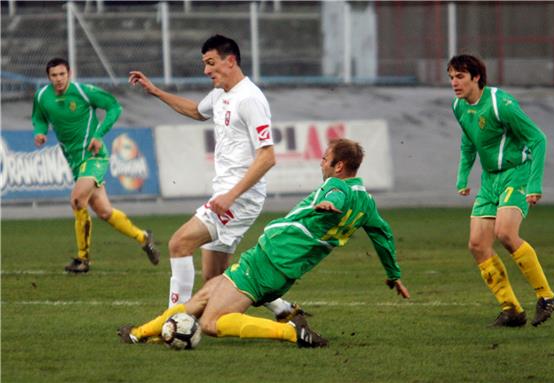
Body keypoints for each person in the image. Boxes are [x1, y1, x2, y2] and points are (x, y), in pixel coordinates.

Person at [118, 138, 410, 348]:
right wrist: (394, 274)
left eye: (325, 158)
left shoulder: (336, 187)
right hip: (280, 269)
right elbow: (382, 236)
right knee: (204, 295)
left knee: (210, 323)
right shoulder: (367, 203)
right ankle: (140, 333)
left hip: (269, 260)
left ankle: (292, 333)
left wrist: (328, 204)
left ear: (339, 166)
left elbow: (335, 196)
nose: (321, 162)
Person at [128, 34, 297, 320]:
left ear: (230, 61)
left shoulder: (250, 99)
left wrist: (231, 196)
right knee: (213, 279)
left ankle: (173, 320)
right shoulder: (220, 94)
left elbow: (267, 156)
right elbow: (196, 110)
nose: (206, 70)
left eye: (210, 63)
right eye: (204, 64)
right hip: (226, 196)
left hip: (237, 199)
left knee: (179, 243)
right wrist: (156, 91)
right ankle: (281, 307)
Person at [447, 54, 554, 327]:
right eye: (451, 77)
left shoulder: (501, 104)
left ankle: (546, 296)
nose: (454, 83)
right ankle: (511, 310)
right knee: (477, 245)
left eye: (460, 76)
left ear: (476, 77)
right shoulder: (459, 106)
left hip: (516, 175)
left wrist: (534, 184)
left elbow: (538, 139)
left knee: (506, 233)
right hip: (490, 181)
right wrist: (463, 176)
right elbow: (468, 141)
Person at [32, 57, 160, 273]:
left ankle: (83, 260)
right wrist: (40, 132)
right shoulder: (42, 96)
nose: (59, 79)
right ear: (48, 77)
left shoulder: (83, 92)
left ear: (69, 74)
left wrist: (99, 135)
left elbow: (114, 107)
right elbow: (39, 117)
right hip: (74, 161)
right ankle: (143, 237)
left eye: (62, 74)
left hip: (95, 157)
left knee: (77, 200)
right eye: (54, 75)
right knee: (104, 211)